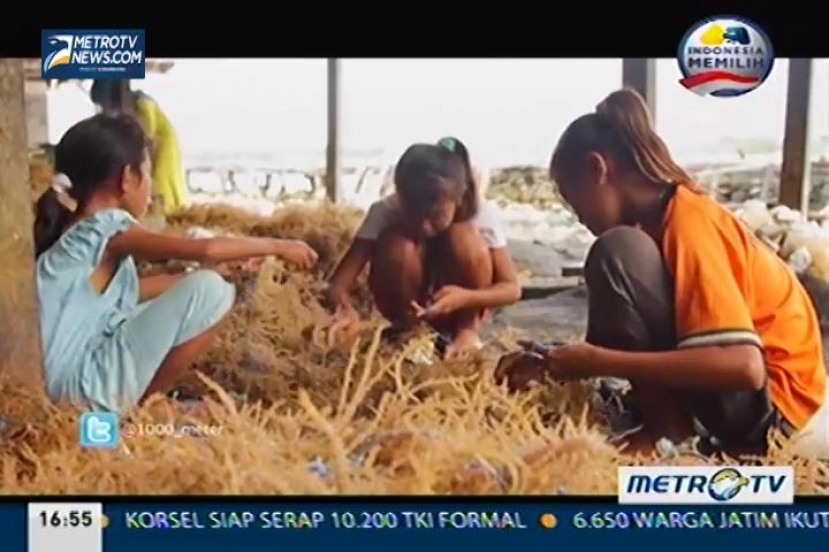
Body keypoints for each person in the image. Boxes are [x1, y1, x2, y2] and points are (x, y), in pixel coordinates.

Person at [497, 88, 829, 458]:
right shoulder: (659, 222)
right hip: (755, 397)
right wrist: (552, 361)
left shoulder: (689, 221)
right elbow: (615, 339)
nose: (580, 218)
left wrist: (597, 362)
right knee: (620, 255)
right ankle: (667, 424)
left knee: (617, 252)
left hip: (775, 409)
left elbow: (745, 367)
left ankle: (667, 433)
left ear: (597, 169)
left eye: (574, 202)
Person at [34, 113, 318, 413]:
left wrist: (207, 272)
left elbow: (130, 293)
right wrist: (278, 246)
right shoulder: (106, 226)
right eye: (148, 172)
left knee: (202, 284)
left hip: (62, 387)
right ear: (127, 178)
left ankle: (137, 405)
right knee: (213, 292)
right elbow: (205, 249)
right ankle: (143, 409)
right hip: (80, 392)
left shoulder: (73, 232)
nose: (152, 185)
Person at [326, 137, 521, 356]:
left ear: (459, 197)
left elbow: (511, 288)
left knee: (465, 237)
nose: (424, 225)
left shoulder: (479, 213)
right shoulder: (384, 211)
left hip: (458, 309)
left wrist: (466, 298)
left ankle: (466, 330)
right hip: (409, 306)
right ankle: (409, 331)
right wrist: (345, 311)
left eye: (436, 215)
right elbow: (338, 284)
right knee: (398, 244)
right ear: (399, 195)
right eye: (413, 212)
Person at [90, 79, 189, 213]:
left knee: (161, 182)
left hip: (163, 148)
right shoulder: (131, 107)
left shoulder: (144, 103)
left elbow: (147, 139)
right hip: (153, 147)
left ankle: (163, 209)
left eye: (104, 103)